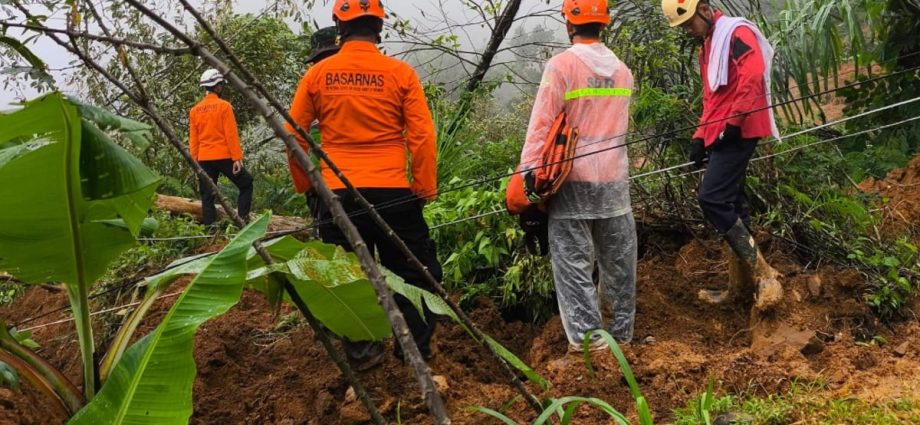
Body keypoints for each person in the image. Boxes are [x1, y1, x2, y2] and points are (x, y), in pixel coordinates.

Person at [285, 0, 440, 369]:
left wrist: (308, 185)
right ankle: (413, 351)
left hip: (338, 195)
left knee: (345, 278)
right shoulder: (400, 73)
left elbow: (293, 135)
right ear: (379, 28)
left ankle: (364, 356)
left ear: (339, 27)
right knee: (416, 272)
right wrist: (423, 188)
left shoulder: (318, 76)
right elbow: (421, 136)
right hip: (394, 192)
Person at [517, 0, 636, 352]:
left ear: (569, 23)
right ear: (604, 24)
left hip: (570, 183)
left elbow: (541, 127)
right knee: (619, 265)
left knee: (573, 268)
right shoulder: (623, 70)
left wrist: (529, 179)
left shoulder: (562, 66)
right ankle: (621, 341)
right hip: (614, 182)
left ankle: (590, 350)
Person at [661, 0, 783, 310]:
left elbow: (752, 76)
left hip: (741, 128)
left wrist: (732, 123)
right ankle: (740, 288)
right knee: (732, 203)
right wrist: (700, 137)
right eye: (683, 26)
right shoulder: (709, 45)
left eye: (689, 22)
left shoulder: (737, 32)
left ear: (703, 8)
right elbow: (712, 98)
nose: (688, 30)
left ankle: (766, 275)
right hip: (723, 130)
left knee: (711, 198)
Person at [188, 68, 253, 225]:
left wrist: (195, 164)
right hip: (224, 156)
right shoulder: (224, 106)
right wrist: (237, 158)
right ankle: (242, 221)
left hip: (204, 158)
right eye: (221, 85)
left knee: (207, 195)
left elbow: (193, 141)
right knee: (246, 183)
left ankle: (209, 231)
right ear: (217, 86)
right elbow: (231, 135)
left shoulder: (195, 110)